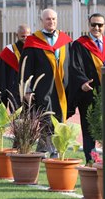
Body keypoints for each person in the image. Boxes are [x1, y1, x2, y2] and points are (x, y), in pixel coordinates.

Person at [70, 13, 105, 163]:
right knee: (89, 129)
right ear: (89, 25)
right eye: (93, 25)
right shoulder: (79, 44)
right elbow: (74, 67)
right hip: (89, 94)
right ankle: (91, 161)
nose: (96, 28)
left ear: (104, 26)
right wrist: (82, 83)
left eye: (100, 25)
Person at [21, 8, 72, 156]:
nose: (51, 22)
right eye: (48, 19)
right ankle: (51, 150)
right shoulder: (33, 41)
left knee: (59, 117)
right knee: (46, 117)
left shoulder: (65, 40)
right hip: (43, 86)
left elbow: (71, 64)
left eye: (54, 19)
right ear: (42, 21)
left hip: (62, 87)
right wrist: (28, 88)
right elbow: (26, 66)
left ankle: (45, 149)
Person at [0, 24, 31, 112]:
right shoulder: (8, 52)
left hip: (31, 90)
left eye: (27, 36)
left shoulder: (33, 50)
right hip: (14, 90)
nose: (25, 38)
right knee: (17, 116)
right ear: (17, 35)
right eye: (23, 36)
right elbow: (1, 75)